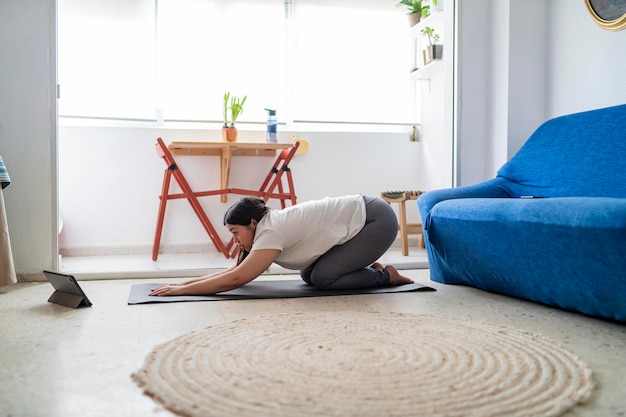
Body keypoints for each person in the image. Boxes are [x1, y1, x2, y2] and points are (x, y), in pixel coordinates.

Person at [149, 194, 413, 296]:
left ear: (252, 223)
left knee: (323, 278)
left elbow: (235, 279)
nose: (235, 239)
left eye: (235, 232)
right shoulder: (265, 227)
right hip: (362, 220)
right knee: (307, 274)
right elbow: (231, 273)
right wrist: (182, 284)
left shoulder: (270, 231)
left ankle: (385, 276)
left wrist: (181, 291)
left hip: (376, 220)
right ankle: (366, 268)